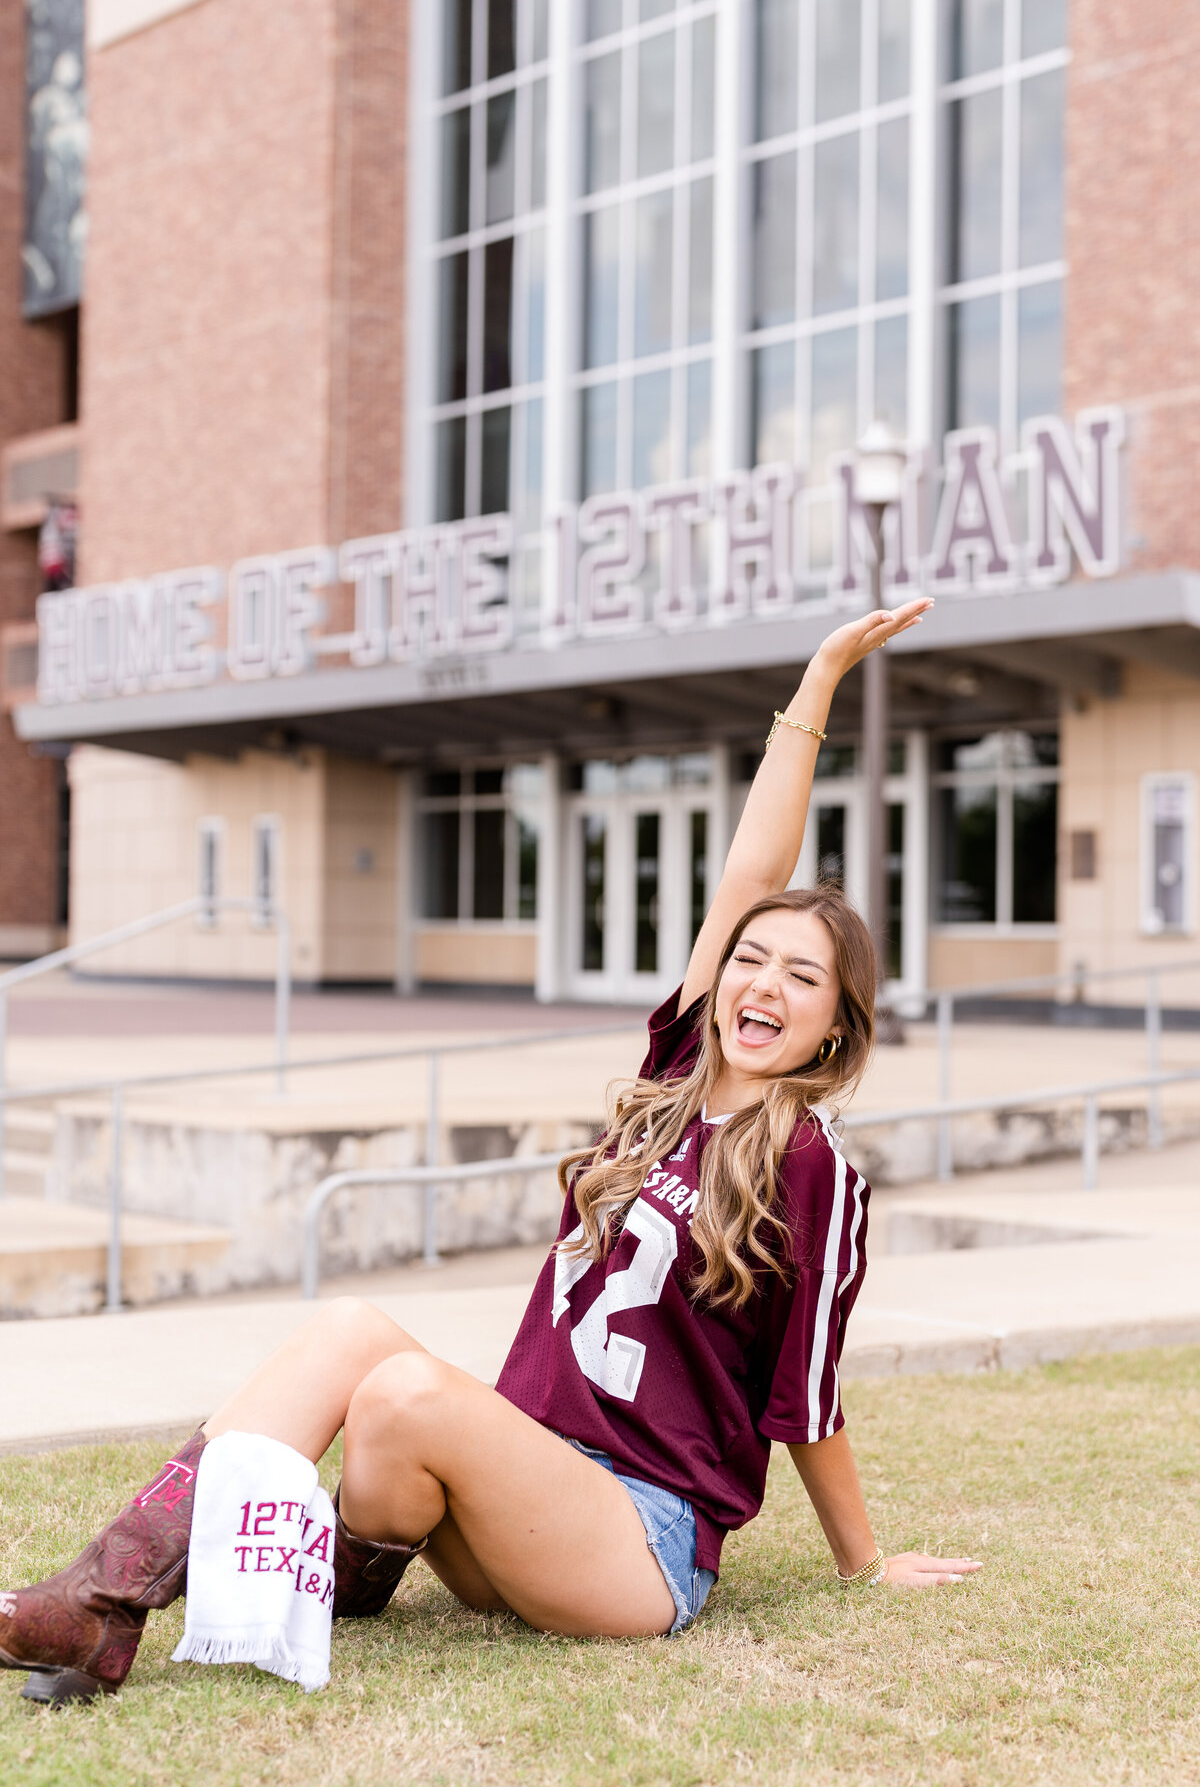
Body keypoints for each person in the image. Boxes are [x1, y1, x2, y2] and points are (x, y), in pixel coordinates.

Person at [0, 595, 980, 1708]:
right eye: (751, 960)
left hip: (640, 1542)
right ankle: (98, 1601)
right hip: (518, 1487)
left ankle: (275, 1587)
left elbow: (805, 1397)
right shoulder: (668, 1086)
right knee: (350, 1334)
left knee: (406, 1390)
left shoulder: (814, 1168)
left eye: (803, 978)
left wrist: (862, 1562)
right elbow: (748, 876)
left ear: (837, 1028)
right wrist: (815, 682)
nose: (762, 983)